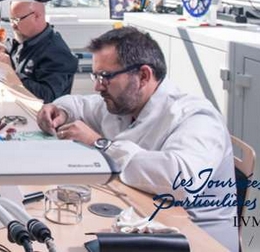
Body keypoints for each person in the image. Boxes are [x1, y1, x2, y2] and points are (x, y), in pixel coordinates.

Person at [37, 27, 237, 251]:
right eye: (96, 76)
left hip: (195, 239)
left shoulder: (196, 117)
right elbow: (80, 104)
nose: (97, 86)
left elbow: (180, 181)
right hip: (143, 221)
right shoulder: (123, 105)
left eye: (105, 76)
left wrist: (100, 144)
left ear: (143, 76)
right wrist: (60, 111)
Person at [0, 0, 77, 102]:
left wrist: (11, 73)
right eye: (11, 19)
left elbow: (48, 98)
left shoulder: (58, 53)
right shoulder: (24, 37)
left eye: (17, 20)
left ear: (36, 16)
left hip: (36, 112)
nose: (12, 25)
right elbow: (11, 46)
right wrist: (1, 48)